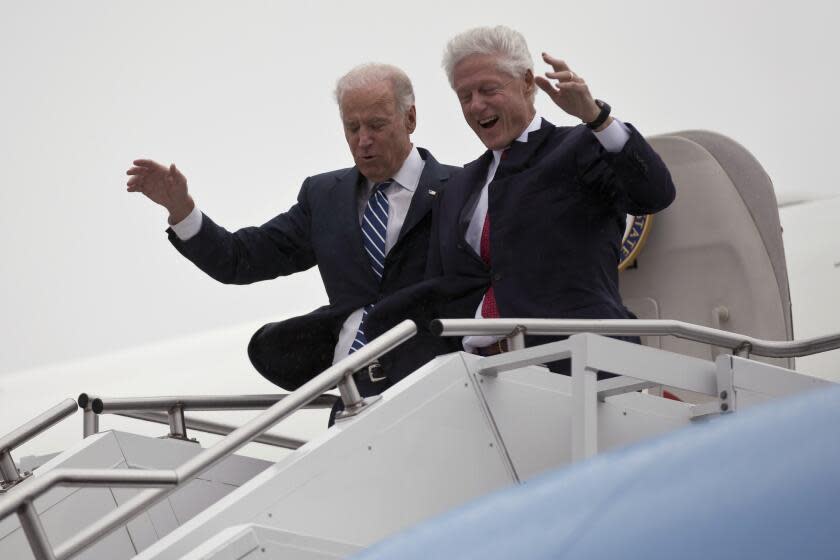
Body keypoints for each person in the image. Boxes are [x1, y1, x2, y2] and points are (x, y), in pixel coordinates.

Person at [125, 63, 458, 422]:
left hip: (440, 388)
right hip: (352, 398)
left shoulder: (461, 189)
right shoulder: (323, 197)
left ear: (410, 118)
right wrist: (181, 209)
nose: (363, 140)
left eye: (376, 125)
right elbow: (240, 258)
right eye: (352, 127)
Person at [367, 26, 675, 373]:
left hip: (579, 372)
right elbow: (442, 292)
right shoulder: (456, 188)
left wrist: (596, 118)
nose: (476, 105)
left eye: (488, 90)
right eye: (464, 96)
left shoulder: (579, 147)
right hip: (478, 379)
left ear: (527, 82)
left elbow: (655, 193)